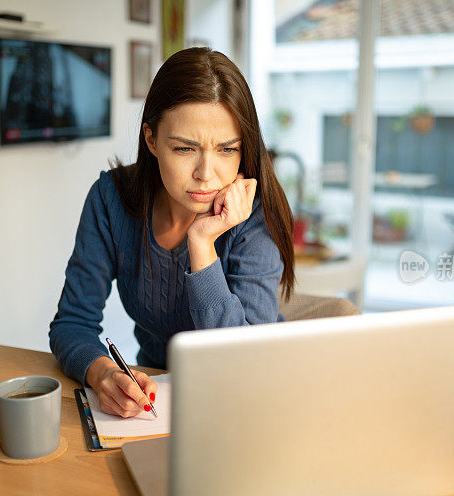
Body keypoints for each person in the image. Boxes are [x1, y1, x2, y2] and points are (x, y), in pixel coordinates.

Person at [49, 48, 295, 418]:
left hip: (254, 400)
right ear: (151, 140)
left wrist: (202, 243)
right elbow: (72, 322)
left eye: (227, 150)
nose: (206, 174)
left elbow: (243, 362)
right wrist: (103, 373)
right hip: (160, 398)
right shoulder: (111, 198)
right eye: (184, 149)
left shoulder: (255, 214)